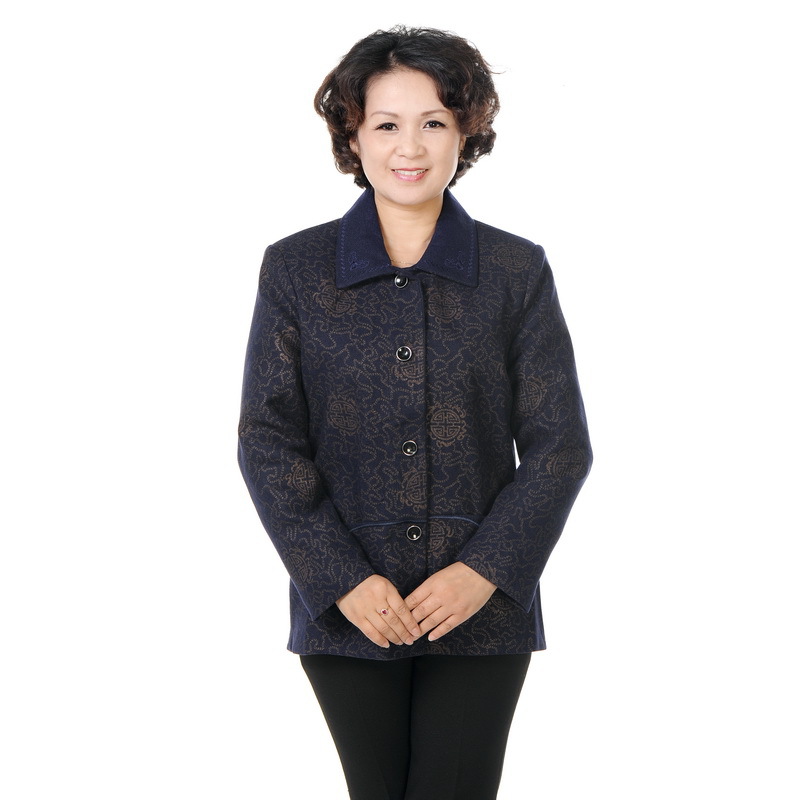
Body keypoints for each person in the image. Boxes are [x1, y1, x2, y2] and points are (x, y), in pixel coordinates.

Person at [238, 25, 592, 800]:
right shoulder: (295, 269)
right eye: (386, 124)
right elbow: (266, 440)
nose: (410, 147)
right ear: (353, 136)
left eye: (433, 121)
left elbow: (560, 445)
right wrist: (341, 580)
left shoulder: (514, 270)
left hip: (480, 612)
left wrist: (483, 572)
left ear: (466, 131)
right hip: (348, 612)